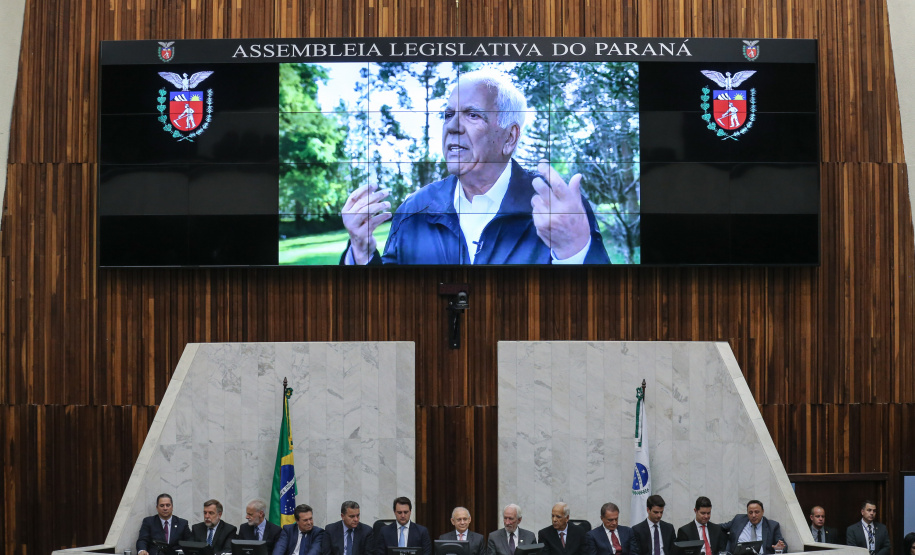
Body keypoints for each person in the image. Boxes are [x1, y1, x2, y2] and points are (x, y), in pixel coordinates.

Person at [340, 68, 610, 266]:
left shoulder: (558, 208)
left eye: (472, 115)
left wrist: (575, 250)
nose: (453, 126)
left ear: (510, 137)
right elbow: (386, 307)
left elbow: (599, 317)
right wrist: (361, 252)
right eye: (448, 115)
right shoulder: (414, 210)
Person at [720, 500, 786, 555]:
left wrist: (779, 548)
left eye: (757, 512)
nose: (753, 515)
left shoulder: (772, 526)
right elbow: (720, 527)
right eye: (750, 512)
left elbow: (783, 545)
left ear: (762, 511)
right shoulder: (738, 520)